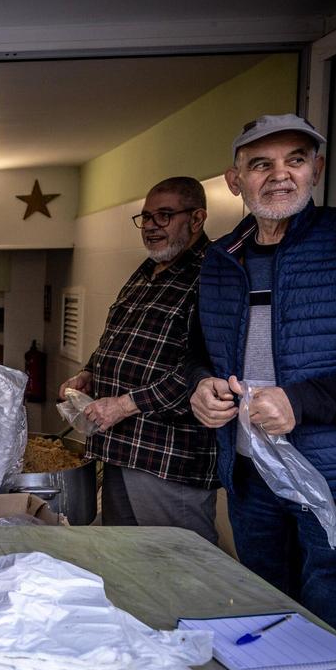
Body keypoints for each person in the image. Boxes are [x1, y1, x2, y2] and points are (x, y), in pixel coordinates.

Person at [189, 114, 336, 656]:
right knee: (265, 630)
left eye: (295, 160)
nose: (279, 176)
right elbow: (200, 350)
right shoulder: (220, 258)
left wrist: (303, 401)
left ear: (318, 169)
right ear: (235, 180)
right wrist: (201, 387)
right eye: (260, 164)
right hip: (252, 477)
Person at [59, 177, 219, 543]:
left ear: (197, 219)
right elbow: (120, 337)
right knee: (124, 562)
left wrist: (125, 405)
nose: (150, 226)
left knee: (177, 567)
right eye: (146, 217)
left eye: (164, 216)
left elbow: (202, 370)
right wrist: (89, 372)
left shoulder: (211, 275)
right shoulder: (147, 271)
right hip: (121, 448)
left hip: (168, 459)